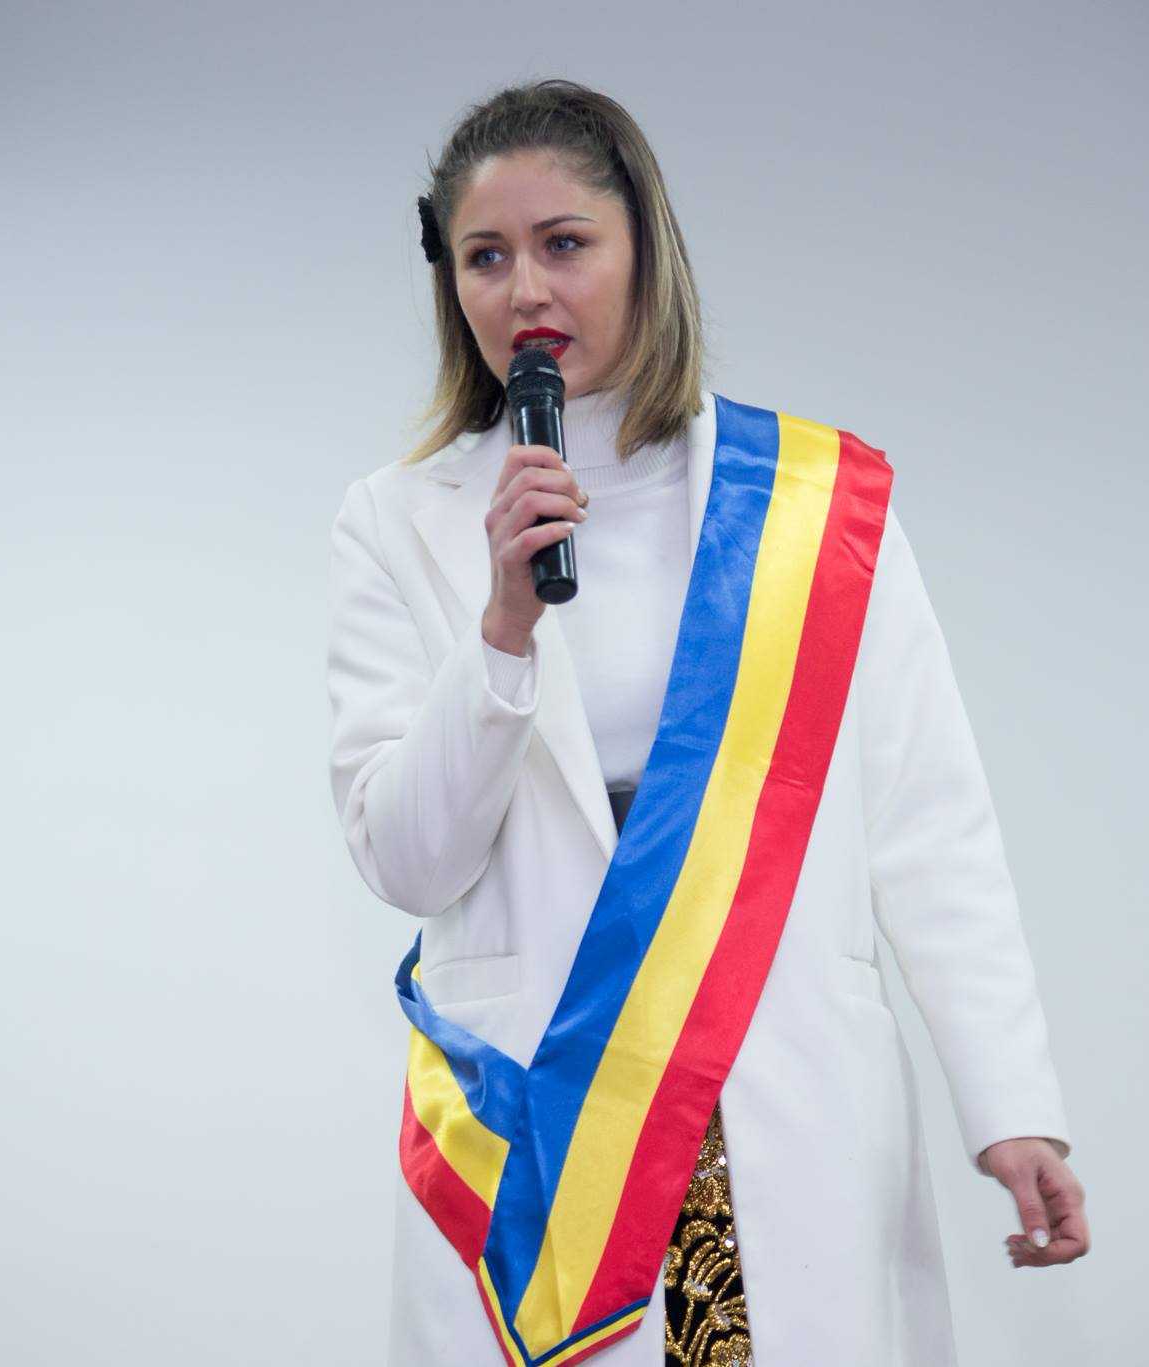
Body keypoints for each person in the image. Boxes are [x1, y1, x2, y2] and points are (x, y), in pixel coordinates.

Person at [325, 78, 1089, 1367]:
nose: (525, 290)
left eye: (565, 243)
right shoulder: (399, 523)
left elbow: (930, 827)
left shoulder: (808, 505)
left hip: (779, 1090)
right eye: (486, 257)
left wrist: (1011, 1105)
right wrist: (501, 629)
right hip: (547, 1130)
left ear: (645, 246)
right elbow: (406, 860)